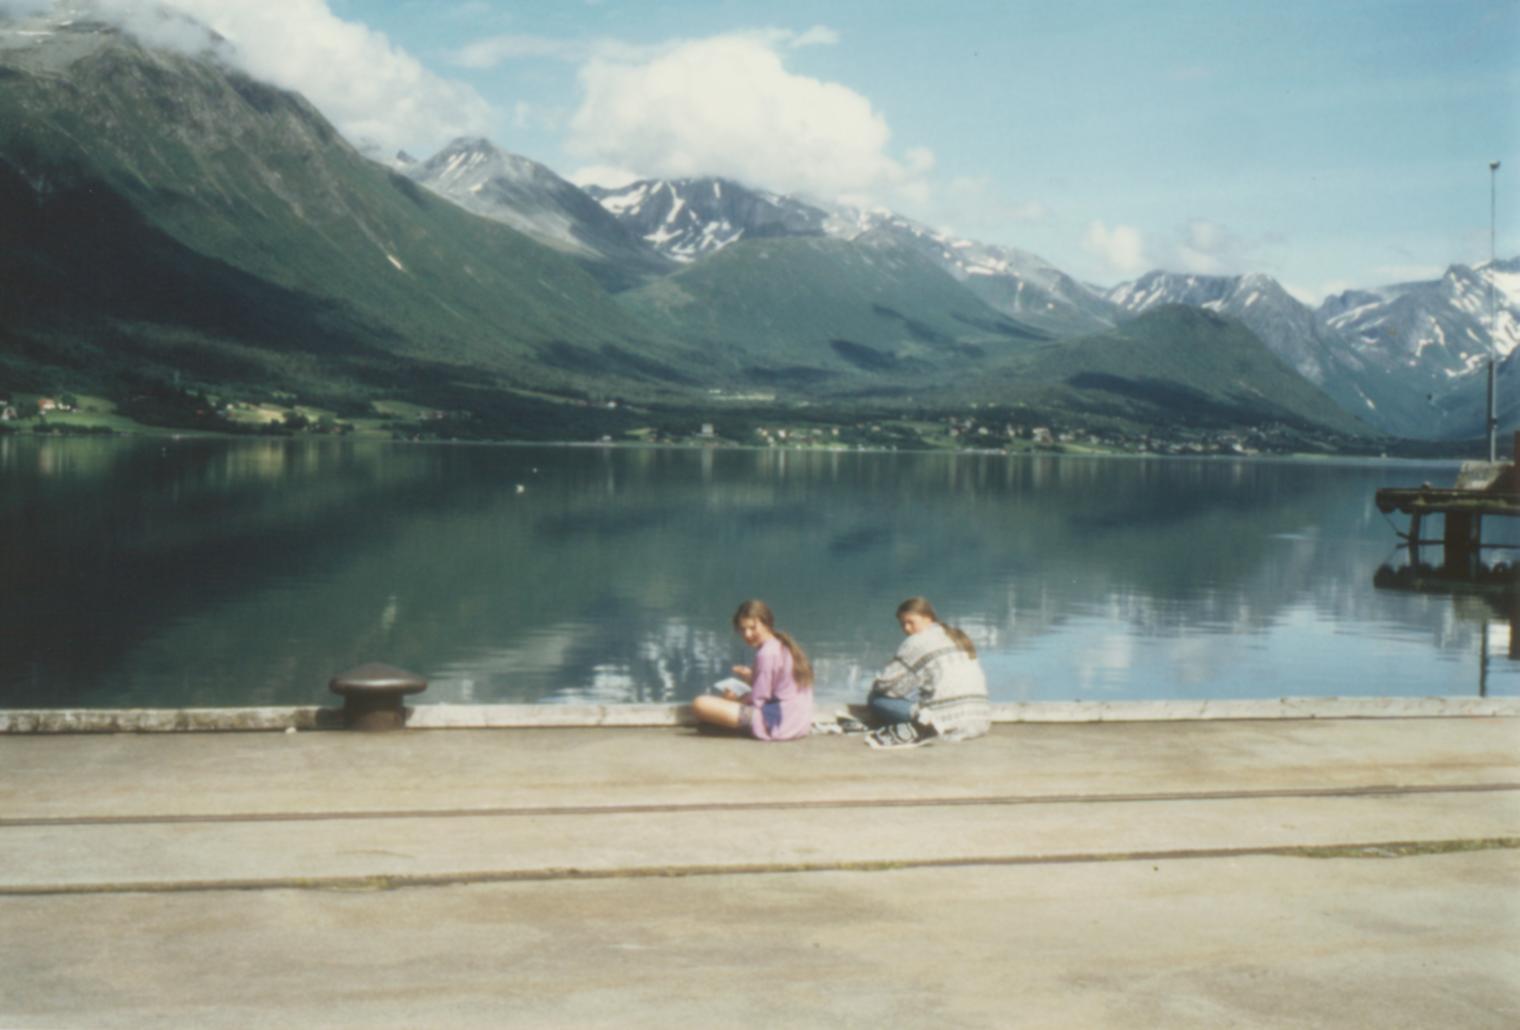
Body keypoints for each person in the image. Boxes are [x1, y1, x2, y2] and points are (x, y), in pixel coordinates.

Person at [865, 597, 991, 749]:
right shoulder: (956, 636)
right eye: (903, 624)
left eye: (911, 622)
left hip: (943, 722)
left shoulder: (916, 642)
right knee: (915, 689)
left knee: (877, 699)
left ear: (928, 618)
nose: (906, 628)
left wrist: (877, 685)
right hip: (979, 718)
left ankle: (920, 726)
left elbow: (887, 685)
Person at [691, 599, 814, 741]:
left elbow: (757, 702)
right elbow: (776, 685)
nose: (747, 634)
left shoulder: (766, 654)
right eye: (743, 629)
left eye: (753, 628)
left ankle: (740, 728)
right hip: (798, 724)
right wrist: (752, 676)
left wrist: (734, 699)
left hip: (777, 724)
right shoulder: (781, 645)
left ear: (766, 624)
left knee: (700, 704)